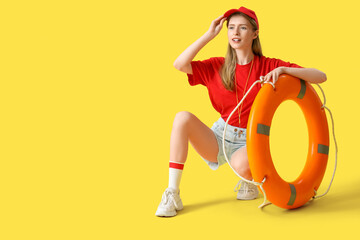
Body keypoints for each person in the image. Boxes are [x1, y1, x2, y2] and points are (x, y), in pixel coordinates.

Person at [155, 6, 327, 217]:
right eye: (232, 28)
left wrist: (283, 70)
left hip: (249, 140)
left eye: (243, 28)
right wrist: (209, 35)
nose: (235, 33)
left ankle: (248, 182)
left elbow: (320, 76)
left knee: (241, 165)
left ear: (255, 34)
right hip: (220, 134)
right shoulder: (217, 66)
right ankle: (173, 193)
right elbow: (179, 64)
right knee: (182, 118)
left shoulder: (268, 66)